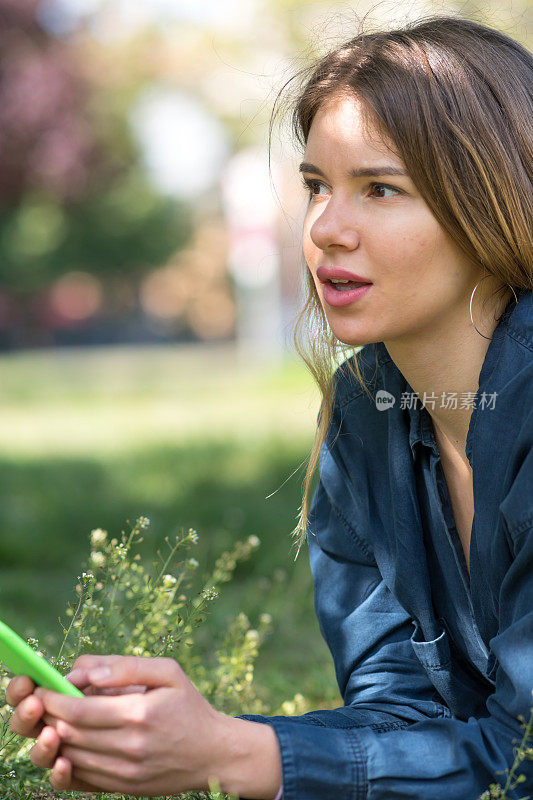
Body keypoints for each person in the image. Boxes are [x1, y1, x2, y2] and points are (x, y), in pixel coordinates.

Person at [6, 12, 533, 800]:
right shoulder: (366, 414)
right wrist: (193, 739)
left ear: (487, 199)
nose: (325, 228)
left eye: (380, 189)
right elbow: (405, 718)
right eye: (317, 186)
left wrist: (237, 758)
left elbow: (521, 759)